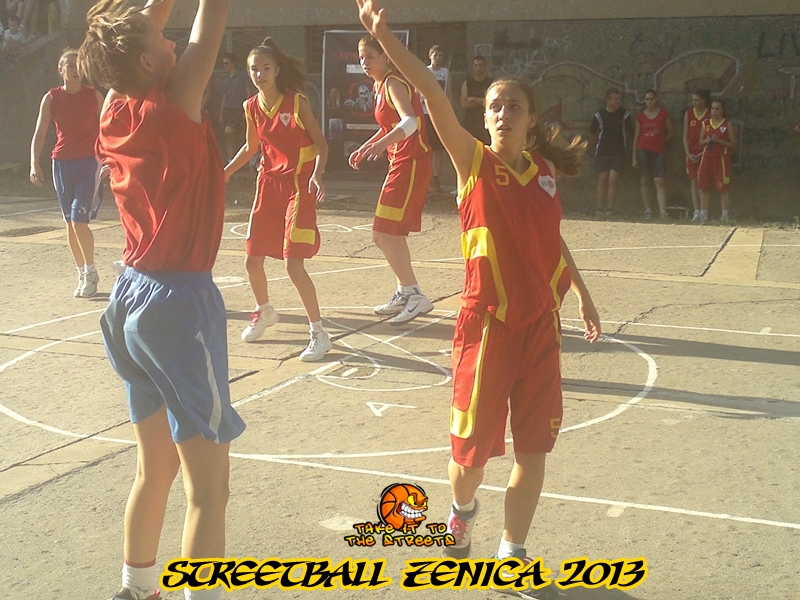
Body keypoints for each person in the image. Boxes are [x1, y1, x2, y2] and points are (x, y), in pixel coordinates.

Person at [355, 0, 601, 588]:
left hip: (540, 328)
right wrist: (385, 36)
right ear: (484, 119)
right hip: (487, 326)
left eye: (514, 105)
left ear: (531, 119)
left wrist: (583, 294)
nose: (503, 112)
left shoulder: (543, 175)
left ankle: (512, 554)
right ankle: (461, 513)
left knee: (533, 451)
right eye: (494, 105)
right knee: (468, 459)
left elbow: (551, 239)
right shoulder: (473, 163)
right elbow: (428, 91)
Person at [78, 0, 245, 596]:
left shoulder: (113, 106)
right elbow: (212, 16)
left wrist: (135, 26)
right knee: (209, 491)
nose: (171, 38)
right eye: (161, 37)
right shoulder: (174, 101)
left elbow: (135, 39)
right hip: (178, 302)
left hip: (129, 295)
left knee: (155, 468)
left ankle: (136, 586)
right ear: (147, 61)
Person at [223, 38, 332, 361]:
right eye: (254, 69)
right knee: (251, 260)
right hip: (268, 184)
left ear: (277, 71)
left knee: (292, 264)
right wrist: (224, 173)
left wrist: (318, 174)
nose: (260, 74)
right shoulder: (251, 107)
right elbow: (250, 148)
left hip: (299, 184)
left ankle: (319, 334)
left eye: (266, 68)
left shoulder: (296, 102)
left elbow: (321, 143)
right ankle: (265, 310)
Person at [348, 34, 434, 326]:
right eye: (361, 57)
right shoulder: (379, 85)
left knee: (382, 233)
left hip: (411, 163)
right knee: (392, 233)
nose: (364, 62)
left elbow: (411, 122)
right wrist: (367, 146)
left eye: (370, 57)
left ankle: (415, 295)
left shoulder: (394, 82)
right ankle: (405, 291)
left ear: (385, 56)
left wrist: (381, 144)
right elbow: (389, 125)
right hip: (400, 162)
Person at [29, 48, 104, 298]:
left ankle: (91, 271)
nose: (75, 69)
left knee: (79, 220)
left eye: (79, 65)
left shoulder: (94, 96)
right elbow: (40, 132)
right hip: (61, 163)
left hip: (88, 163)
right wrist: (34, 163)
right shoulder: (51, 98)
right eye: (70, 65)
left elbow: (108, 128)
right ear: (60, 70)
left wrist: (110, 159)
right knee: (69, 224)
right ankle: (81, 272)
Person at [589, 88, 632, 218]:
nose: (618, 101)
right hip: (603, 151)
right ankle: (600, 208)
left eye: (619, 99)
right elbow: (592, 133)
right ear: (608, 100)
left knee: (613, 179)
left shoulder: (624, 114)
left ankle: (610, 209)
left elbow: (629, 132)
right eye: (615, 99)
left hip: (618, 151)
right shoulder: (599, 116)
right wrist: (600, 143)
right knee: (603, 179)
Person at [632, 89, 673, 219]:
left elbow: (671, 132)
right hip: (643, 150)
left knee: (659, 181)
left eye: (652, 99)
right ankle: (648, 210)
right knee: (644, 180)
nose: (649, 102)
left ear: (656, 100)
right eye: (647, 99)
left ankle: (663, 212)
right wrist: (634, 157)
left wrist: (661, 141)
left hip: (658, 151)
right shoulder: (640, 116)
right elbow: (636, 137)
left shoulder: (663, 114)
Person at [698, 98, 737, 223]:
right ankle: (703, 215)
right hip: (707, 158)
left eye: (717, 109)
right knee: (704, 187)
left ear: (722, 110)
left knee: (723, 188)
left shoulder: (727, 125)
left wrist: (719, 141)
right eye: (712, 108)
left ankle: (725, 216)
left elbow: (733, 144)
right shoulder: (705, 124)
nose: (714, 111)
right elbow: (700, 142)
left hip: (721, 159)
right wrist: (707, 140)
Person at [423, 44, 451, 193]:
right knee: (425, 147)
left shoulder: (445, 72)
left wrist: (447, 112)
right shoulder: (425, 71)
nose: (437, 58)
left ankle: (436, 178)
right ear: (430, 56)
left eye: (440, 55)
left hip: (439, 113)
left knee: (438, 148)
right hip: (425, 113)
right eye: (435, 55)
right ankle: (425, 178)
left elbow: (448, 93)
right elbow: (418, 91)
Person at [683, 89, 711, 222]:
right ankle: (696, 211)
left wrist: (702, 152)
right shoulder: (689, 113)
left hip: (704, 153)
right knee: (693, 181)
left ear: (704, 100)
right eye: (693, 100)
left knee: (702, 181)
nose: (693, 102)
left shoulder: (710, 114)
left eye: (696, 100)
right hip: (691, 153)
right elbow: (685, 135)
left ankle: (704, 211)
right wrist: (687, 153)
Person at [219, 52, 250, 161]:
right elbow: (224, 97)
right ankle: (230, 160)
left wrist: (247, 110)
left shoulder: (242, 76)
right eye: (223, 63)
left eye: (227, 63)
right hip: (228, 109)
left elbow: (248, 92)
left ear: (233, 63)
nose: (225, 66)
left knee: (229, 132)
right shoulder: (225, 79)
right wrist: (221, 114)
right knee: (229, 137)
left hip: (239, 109)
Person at [460, 54, 492, 145]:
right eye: (476, 65)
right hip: (470, 122)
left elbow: (490, 103)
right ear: (473, 67)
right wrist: (482, 101)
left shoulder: (490, 84)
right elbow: (463, 103)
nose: (478, 68)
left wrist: (473, 99)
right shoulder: (467, 83)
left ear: (485, 67)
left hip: (485, 123)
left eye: (480, 65)